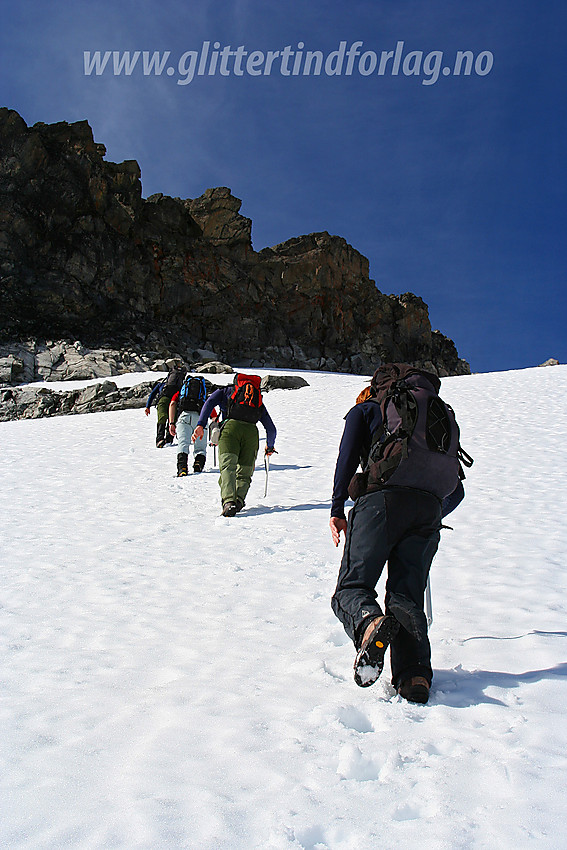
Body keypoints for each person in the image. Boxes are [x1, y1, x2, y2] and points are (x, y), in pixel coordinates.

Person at [329, 364, 467, 705]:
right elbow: (457, 491)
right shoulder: (435, 414)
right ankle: (414, 676)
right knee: (406, 595)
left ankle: (369, 624)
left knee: (352, 588)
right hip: (428, 508)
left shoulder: (366, 409)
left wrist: (336, 509)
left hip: (381, 502)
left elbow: (346, 459)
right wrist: (429, 515)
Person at [192, 374, 277, 516]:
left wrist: (201, 424)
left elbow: (209, 402)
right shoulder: (256, 400)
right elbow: (271, 428)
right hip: (251, 432)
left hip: (230, 429)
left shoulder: (226, 391)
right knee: (245, 471)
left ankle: (228, 502)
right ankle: (238, 500)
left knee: (228, 467)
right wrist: (269, 446)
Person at [168, 375, 218, 476]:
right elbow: (214, 415)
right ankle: (198, 465)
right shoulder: (203, 396)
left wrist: (171, 423)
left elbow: (172, 404)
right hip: (200, 420)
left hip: (184, 417)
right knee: (200, 448)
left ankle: (182, 468)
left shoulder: (181, 393)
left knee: (183, 443)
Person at [144, 364, 187, 448]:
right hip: (175, 401)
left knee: (162, 418)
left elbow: (152, 394)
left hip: (163, 400)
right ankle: (169, 439)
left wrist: (147, 406)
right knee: (173, 420)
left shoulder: (162, 384)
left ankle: (159, 439)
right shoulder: (181, 385)